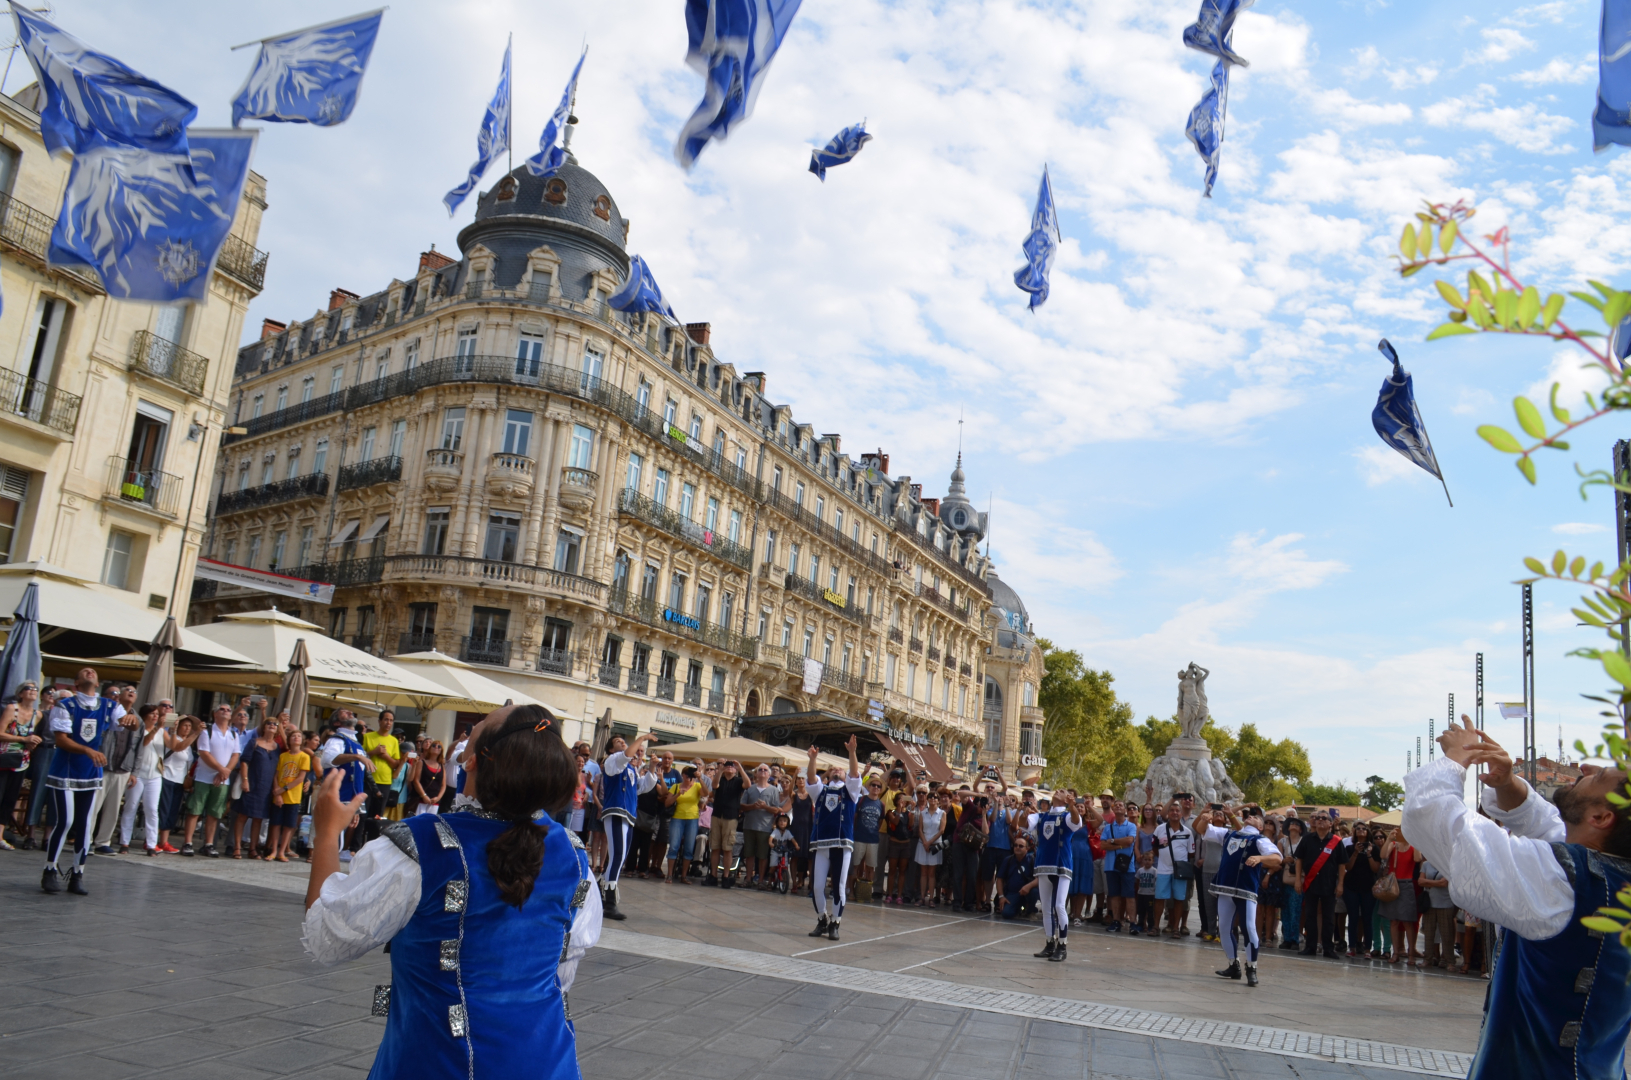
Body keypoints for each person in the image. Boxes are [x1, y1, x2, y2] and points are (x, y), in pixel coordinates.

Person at [303, 704, 599, 1080]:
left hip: (438, 1062)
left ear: (471, 761)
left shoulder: (420, 845)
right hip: (545, 1061)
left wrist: (328, 834)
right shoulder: (574, 857)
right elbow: (562, 970)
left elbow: (326, 937)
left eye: (477, 727)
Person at [1402, 717, 1631, 1079]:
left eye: (1599, 776)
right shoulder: (1609, 875)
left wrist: (1454, 760)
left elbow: (1437, 824)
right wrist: (1507, 784)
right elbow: (1548, 826)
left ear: (1601, 817)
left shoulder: (1562, 880)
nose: (1585, 767)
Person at [41, 667, 132, 893]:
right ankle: (50, 869)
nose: (90, 671)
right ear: (76, 682)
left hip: (91, 771)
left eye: (92, 670)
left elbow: (128, 723)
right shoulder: (65, 705)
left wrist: (132, 719)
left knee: (84, 824)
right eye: (84, 671)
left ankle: (77, 873)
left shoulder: (109, 705)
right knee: (66, 821)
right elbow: (61, 740)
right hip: (66, 769)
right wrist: (88, 751)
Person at [1193, 804, 1283, 986]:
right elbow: (1200, 829)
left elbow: (1277, 858)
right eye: (1249, 815)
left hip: (1245, 888)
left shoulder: (1260, 839)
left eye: (1256, 817)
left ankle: (1252, 967)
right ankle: (1233, 965)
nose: (1250, 817)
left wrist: (1260, 858)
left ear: (1260, 826)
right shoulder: (1228, 834)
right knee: (1224, 928)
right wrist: (1204, 816)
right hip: (1225, 887)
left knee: (1249, 927)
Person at [804, 738, 863, 940]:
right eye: (833, 769)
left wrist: (852, 753)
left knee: (838, 886)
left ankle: (836, 922)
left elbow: (855, 774)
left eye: (840, 769)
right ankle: (822, 919)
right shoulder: (820, 790)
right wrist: (813, 759)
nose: (837, 770)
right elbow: (811, 778)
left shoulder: (851, 791)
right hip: (821, 843)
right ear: (828, 774)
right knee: (817, 886)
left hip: (842, 843)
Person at [596, 733, 657, 918]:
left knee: (620, 857)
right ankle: (610, 903)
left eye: (624, 741)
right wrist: (641, 739)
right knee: (617, 856)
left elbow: (642, 787)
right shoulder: (612, 761)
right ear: (610, 749)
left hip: (628, 815)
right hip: (616, 812)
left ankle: (601, 886)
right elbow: (624, 757)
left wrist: (652, 769)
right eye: (618, 742)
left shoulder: (630, 768)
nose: (623, 743)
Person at [1029, 792, 1086, 961]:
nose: (1059, 792)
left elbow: (1076, 821)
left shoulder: (1068, 814)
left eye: (1063, 791)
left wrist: (1072, 805)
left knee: (1059, 906)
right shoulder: (1041, 815)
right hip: (1044, 865)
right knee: (1046, 907)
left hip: (1061, 865)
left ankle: (1062, 945)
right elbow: (1024, 824)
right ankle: (1049, 943)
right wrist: (1023, 813)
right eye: (1059, 790)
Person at [91, 687, 142, 854]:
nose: (131, 692)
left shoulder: (138, 720)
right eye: (127, 689)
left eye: (134, 690)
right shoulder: (107, 713)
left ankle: (103, 841)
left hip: (123, 768)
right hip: (103, 766)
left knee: (113, 809)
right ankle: (86, 840)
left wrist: (134, 772)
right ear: (119, 695)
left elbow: (139, 748)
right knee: (94, 806)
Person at [1293, 810, 1348, 958]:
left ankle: (1328, 949)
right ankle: (1310, 947)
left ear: (1330, 823)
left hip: (1329, 884)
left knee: (1329, 918)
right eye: (1317, 818)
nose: (1319, 820)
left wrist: (1340, 884)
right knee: (1310, 916)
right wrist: (1298, 879)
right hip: (1311, 883)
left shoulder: (1336, 841)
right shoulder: (1307, 839)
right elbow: (1299, 860)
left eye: (1324, 818)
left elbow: (1342, 865)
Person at [116, 704, 167, 855]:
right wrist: (157, 728)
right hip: (138, 774)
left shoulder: (162, 731)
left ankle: (152, 844)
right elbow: (143, 743)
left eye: (157, 714)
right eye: (152, 714)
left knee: (152, 809)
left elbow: (174, 746)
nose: (155, 716)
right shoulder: (138, 729)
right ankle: (125, 842)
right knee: (130, 807)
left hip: (155, 775)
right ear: (145, 716)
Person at [0, 681, 43, 849]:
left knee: (10, 798)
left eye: (35, 689)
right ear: (20, 693)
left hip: (21, 761)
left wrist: (31, 743)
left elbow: (29, 736)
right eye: (28, 688)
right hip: (3, 758)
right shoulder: (12, 708)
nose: (32, 691)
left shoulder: (37, 715)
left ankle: (0, 835)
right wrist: (23, 739)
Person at [235, 719, 280, 858]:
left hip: (266, 787)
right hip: (252, 782)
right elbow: (244, 762)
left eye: (275, 724)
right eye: (269, 723)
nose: (272, 725)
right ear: (263, 726)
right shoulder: (254, 742)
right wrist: (245, 780)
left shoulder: (277, 747)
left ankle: (252, 849)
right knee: (242, 815)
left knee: (258, 818)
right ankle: (236, 847)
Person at [1378, 826, 1422, 965]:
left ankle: (1410, 954)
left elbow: (1417, 858)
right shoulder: (1393, 845)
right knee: (1394, 921)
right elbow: (1383, 855)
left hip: (1407, 884)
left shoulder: (1413, 846)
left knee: (1408, 921)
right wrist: (1389, 839)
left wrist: (1415, 840)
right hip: (1393, 884)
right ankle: (1395, 952)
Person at [1151, 800, 1195, 937]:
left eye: (1177, 811)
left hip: (1179, 872)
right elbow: (1155, 848)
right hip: (1163, 869)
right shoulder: (1159, 829)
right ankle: (1156, 927)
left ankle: (1176, 928)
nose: (1175, 813)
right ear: (1168, 813)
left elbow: (1191, 853)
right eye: (1172, 810)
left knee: (1179, 899)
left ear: (1181, 814)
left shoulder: (1187, 832)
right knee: (1159, 899)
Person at [155, 716, 198, 854]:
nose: (187, 729)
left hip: (179, 781)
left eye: (189, 727)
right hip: (167, 777)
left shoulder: (189, 747)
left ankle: (164, 841)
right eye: (185, 725)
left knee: (172, 811)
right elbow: (177, 748)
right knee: (163, 809)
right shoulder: (173, 739)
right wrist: (194, 734)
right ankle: (152, 839)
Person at [268, 730, 312, 861]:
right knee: (276, 823)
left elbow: (300, 778)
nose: (296, 738)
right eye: (293, 736)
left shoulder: (304, 756)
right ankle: (274, 850)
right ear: (289, 739)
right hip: (279, 795)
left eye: (299, 736)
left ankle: (282, 851)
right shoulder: (283, 756)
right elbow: (276, 775)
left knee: (289, 825)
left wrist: (283, 790)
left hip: (293, 796)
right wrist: (277, 792)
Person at [662, 764, 707, 885]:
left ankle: (684, 875)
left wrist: (700, 778)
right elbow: (667, 803)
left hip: (692, 819)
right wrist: (677, 795)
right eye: (686, 774)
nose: (688, 777)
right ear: (682, 775)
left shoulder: (697, 786)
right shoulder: (676, 787)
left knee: (689, 848)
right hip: (677, 818)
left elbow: (706, 793)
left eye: (690, 775)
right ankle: (670, 874)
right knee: (674, 846)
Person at [706, 758, 745, 887]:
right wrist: (720, 771)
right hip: (717, 815)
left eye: (732, 766)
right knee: (715, 847)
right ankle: (713, 875)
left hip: (730, 816)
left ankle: (726, 876)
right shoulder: (720, 779)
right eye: (727, 765)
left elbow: (748, 784)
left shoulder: (739, 781)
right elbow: (714, 785)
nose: (729, 767)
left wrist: (740, 769)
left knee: (728, 848)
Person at [1101, 800, 1138, 934]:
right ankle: (1116, 920)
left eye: (1120, 805)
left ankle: (1133, 922)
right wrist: (1119, 844)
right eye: (1115, 805)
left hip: (1127, 866)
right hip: (1111, 865)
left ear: (1125, 810)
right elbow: (1103, 845)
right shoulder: (1108, 827)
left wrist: (1111, 841)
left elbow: (1130, 841)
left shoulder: (1131, 826)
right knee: (1114, 895)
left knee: (1129, 895)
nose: (1118, 806)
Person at [851, 775, 885, 902]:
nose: (876, 788)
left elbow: (880, 821)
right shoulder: (861, 800)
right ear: (869, 787)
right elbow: (855, 817)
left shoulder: (881, 804)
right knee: (855, 866)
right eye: (873, 785)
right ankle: (852, 892)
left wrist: (873, 831)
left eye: (878, 786)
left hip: (873, 839)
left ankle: (866, 893)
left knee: (870, 868)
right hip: (859, 837)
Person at [363, 712, 403, 819]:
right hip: (367, 781)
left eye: (391, 720)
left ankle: (374, 836)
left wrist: (385, 756)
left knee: (378, 815)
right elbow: (360, 757)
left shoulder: (394, 741)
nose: (388, 723)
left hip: (384, 782)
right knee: (363, 814)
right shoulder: (367, 737)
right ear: (379, 721)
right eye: (386, 719)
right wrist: (374, 752)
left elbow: (395, 764)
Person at [885, 791, 918, 904]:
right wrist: (899, 809)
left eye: (904, 799)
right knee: (892, 870)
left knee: (902, 871)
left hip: (906, 844)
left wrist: (912, 809)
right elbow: (895, 821)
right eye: (900, 799)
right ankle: (889, 894)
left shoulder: (909, 813)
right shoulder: (891, 812)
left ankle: (899, 895)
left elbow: (911, 824)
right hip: (894, 843)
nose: (902, 801)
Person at [1278, 816, 1305, 949]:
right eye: (1291, 823)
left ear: (1301, 829)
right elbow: (1277, 858)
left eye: (1297, 824)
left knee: (1296, 910)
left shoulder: (1304, 841)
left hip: (1298, 878)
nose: (1293, 825)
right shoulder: (1283, 841)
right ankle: (1287, 938)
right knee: (1285, 910)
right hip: (1285, 877)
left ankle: (1295, 939)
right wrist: (1284, 860)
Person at [916, 787, 946, 907]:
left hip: (935, 845)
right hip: (923, 844)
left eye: (935, 797)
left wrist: (929, 842)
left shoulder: (942, 813)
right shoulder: (923, 813)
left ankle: (932, 898)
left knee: (932, 873)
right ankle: (922, 897)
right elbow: (920, 829)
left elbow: (942, 830)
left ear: (938, 800)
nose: (933, 799)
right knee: (923, 872)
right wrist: (924, 842)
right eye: (931, 797)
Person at [999, 835, 1037, 919]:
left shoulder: (1032, 860)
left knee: (1035, 891)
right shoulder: (1008, 860)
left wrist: (1028, 886)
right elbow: (999, 879)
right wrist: (1001, 896)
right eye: (1015, 845)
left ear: (1027, 848)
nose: (1017, 848)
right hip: (1013, 893)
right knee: (1006, 914)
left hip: (1028, 892)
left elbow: (1039, 879)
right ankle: (1018, 909)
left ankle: (1030, 910)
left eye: (1021, 846)